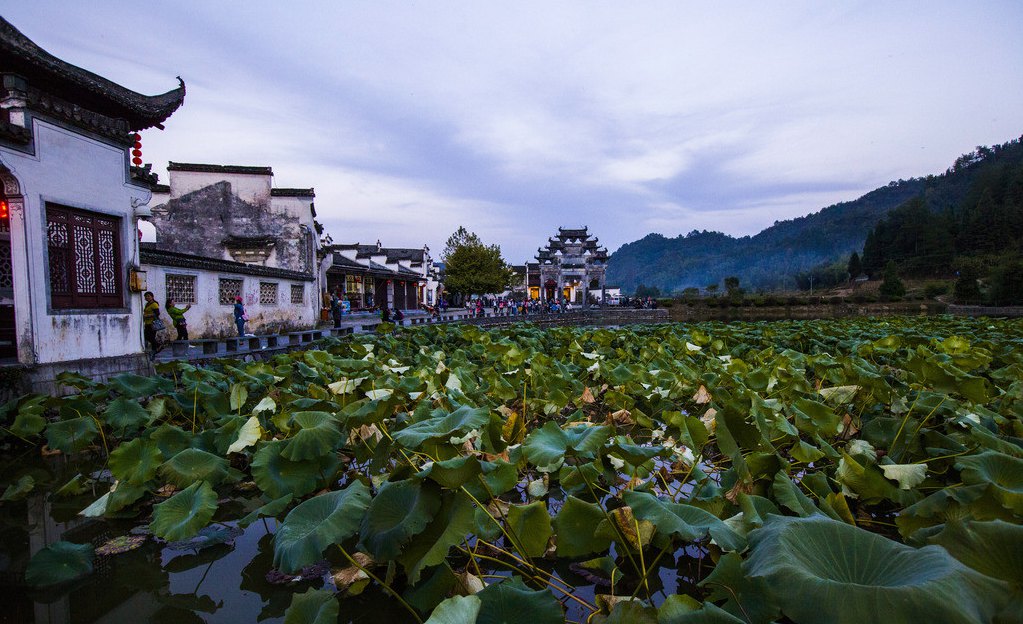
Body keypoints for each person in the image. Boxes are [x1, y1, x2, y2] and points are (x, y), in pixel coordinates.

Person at [142, 291, 163, 358]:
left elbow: (157, 313)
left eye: (148, 296)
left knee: (150, 337)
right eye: (146, 296)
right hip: (147, 323)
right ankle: (155, 350)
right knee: (148, 337)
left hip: (152, 323)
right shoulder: (147, 304)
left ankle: (157, 346)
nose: (147, 297)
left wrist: (147, 316)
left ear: (152, 297)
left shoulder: (154, 304)